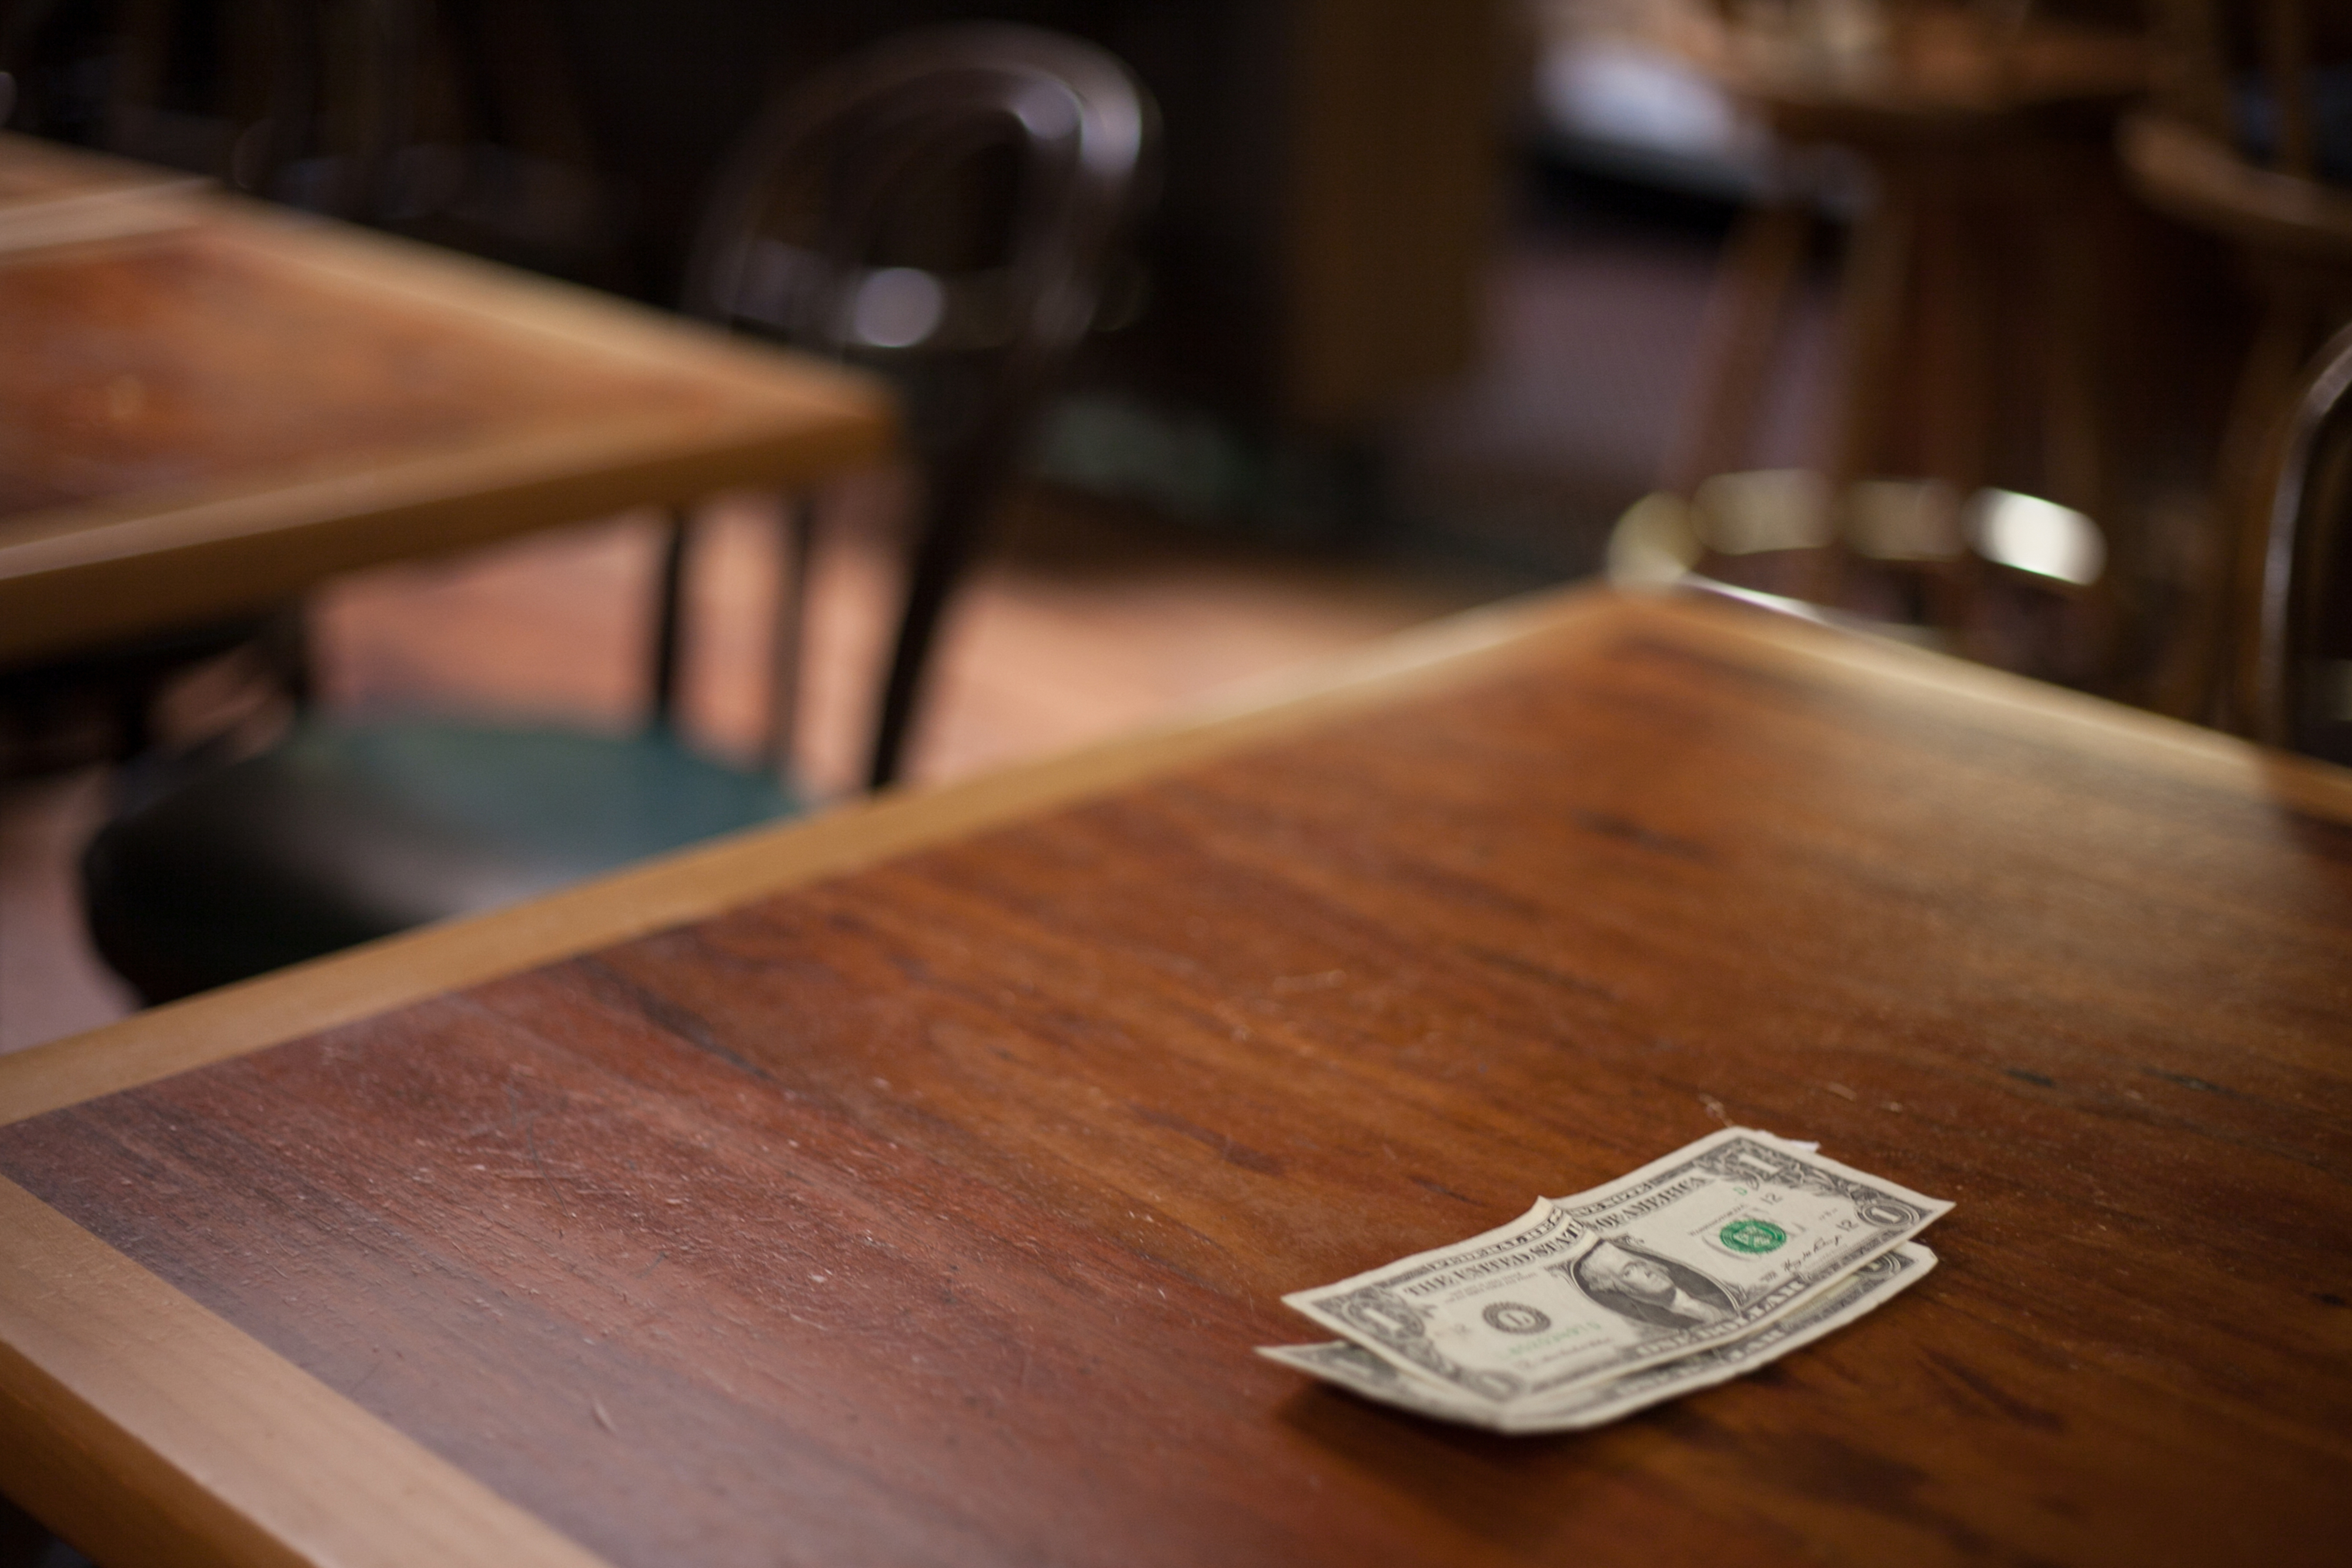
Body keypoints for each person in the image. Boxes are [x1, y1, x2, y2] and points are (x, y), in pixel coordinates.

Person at [1572, 1241, 1736, 1329]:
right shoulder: (1661, 1328)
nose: (1647, 1271)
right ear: (1617, 1287)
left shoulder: (1718, 1296)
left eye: (1640, 1264)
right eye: (1628, 1272)